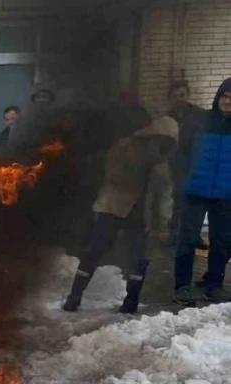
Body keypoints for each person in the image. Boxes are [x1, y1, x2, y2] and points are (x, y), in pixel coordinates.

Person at [62, 116, 179, 314]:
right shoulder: (125, 147)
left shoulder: (162, 165)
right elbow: (113, 178)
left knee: (139, 258)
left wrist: (161, 224)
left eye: (166, 142)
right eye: (159, 139)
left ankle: (131, 301)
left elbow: (164, 196)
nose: (160, 144)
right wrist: (143, 167)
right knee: (95, 251)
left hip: (141, 215)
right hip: (112, 207)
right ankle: (74, 296)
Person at [173, 77, 231, 304]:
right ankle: (181, 287)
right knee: (187, 239)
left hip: (225, 195)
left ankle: (214, 285)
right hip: (194, 190)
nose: (228, 102)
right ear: (218, 97)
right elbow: (180, 154)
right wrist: (181, 181)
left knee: (221, 242)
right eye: (225, 97)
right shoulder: (200, 121)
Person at [165, 80, 209, 244]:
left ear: (188, 95)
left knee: (196, 203)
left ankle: (194, 235)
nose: (179, 99)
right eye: (175, 96)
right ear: (170, 99)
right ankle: (174, 235)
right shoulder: (167, 119)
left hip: (198, 165)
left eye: (182, 95)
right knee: (177, 202)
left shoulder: (201, 115)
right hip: (177, 166)